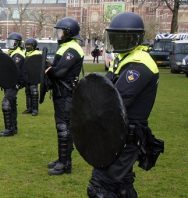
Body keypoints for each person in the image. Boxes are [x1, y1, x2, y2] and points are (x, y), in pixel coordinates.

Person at [87, 12, 162, 197]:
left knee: (100, 187)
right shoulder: (124, 59)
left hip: (127, 135)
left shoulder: (140, 64)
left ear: (136, 38)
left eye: (124, 38)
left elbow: (116, 100)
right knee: (122, 186)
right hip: (117, 133)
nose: (118, 42)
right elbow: (102, 87)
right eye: (115, 37)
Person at [45, 17, 84, 175]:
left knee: (64, 127)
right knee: (61, 126)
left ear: (69, 33)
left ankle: (65, 163)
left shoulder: (73, 49)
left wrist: (48, 69)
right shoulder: (66, 47)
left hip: (66, 93)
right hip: (60, 92)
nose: (58, 34)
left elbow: (59, 72)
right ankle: (62, 158)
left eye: (61, 31)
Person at [0, 32, 26, 137]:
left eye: (12, 42)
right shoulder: (13, 53)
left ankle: (9, 129)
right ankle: (13, 127)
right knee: (12, 104)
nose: (10, 44)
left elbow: (14, 70)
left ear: (17, 43)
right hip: (11, 83)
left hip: (14, 83)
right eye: (9, 42)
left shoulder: (17, 55)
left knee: (6, 103)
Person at [23, 38, 42, 116]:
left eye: (29, 45)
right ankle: (29, 108)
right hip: (27, 76)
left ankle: (35, 110)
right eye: (26, 45)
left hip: (34, 77)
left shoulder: (37, 53)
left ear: (33, 46)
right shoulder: (27, 53)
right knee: (27, 92)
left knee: (34, 92)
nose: (27, 46)